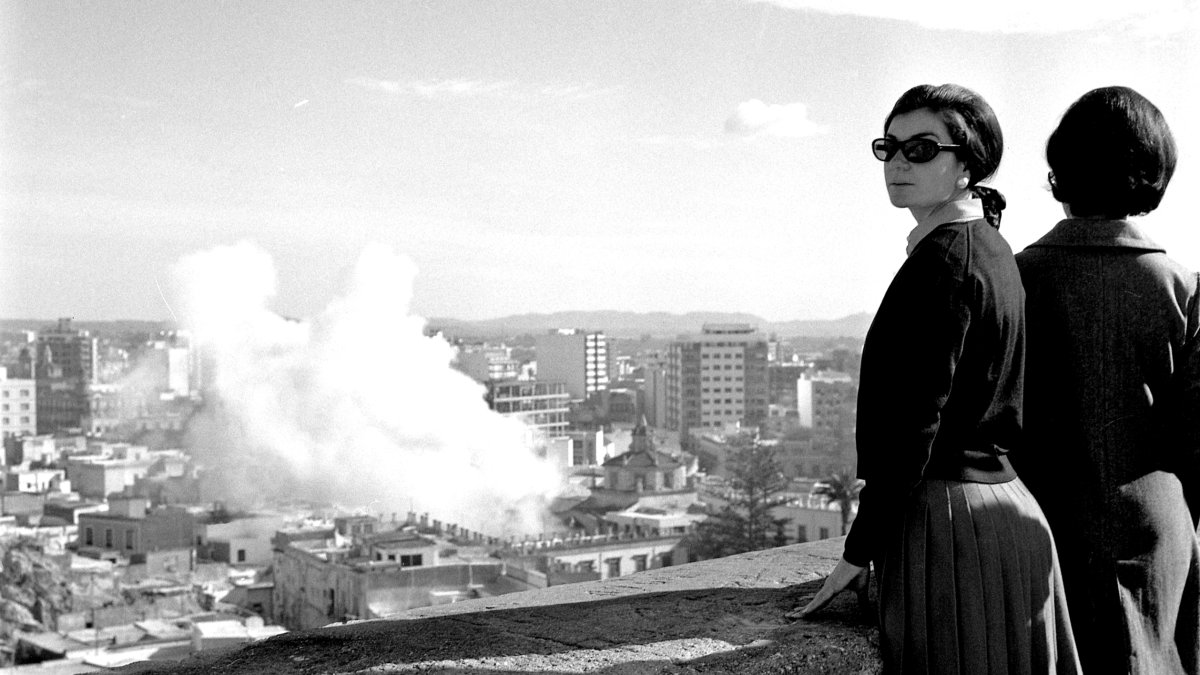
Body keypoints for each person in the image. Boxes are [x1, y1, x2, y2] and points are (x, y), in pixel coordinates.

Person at [790, 84, 1081, 674]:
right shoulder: (988, 246)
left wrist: (856, 553)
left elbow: (912, 428)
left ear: (967, 162)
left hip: (950, 529)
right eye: (888, 147)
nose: (898, 161)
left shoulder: (945, 263)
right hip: (1001, 517)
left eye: (921, 148)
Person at [1013, 86, 1200, 674]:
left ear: (1059, 174)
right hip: (1153, 523)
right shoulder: (1179, 287)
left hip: (1039, 520)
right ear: (1152, 174)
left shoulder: (1016, 278)